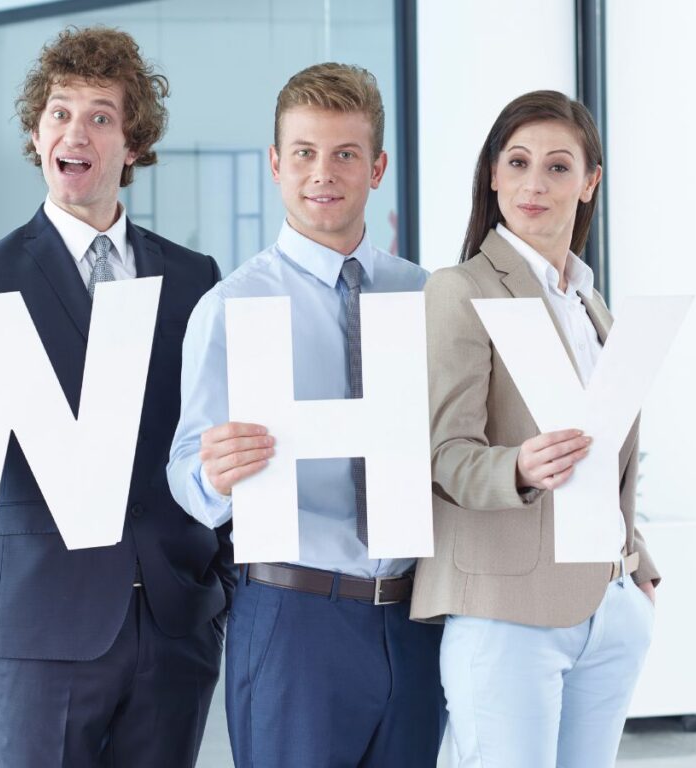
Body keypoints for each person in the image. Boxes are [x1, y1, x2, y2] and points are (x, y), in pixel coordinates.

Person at [0, 26, 234, 768]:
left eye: (101, 115)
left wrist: (217, 583)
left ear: (132, 146)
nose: (77, 130)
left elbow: (205, 430)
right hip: (42, 624)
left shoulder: (194, 277)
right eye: (60, 112)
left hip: (173, 618)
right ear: (37, 135)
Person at [166, 63, 446, 767]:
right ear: (276, 164)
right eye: (305, 153)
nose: (324, 173)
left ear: (377, 167)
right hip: (295, 616)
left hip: (416, 615)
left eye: (346, 154)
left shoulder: (426, 296)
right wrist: (215, 474)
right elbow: (185, 478)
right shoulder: (232, 307)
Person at [410, 90, 660, 768]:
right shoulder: (460, 290)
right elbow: (441, 453)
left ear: (589, 183)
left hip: (607, 607)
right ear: (492, 174)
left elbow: (603, 452)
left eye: (557, 167)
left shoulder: (590, 302)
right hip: (506, 610)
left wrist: (638, 564)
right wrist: (516, 467)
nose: (534, 183)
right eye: (517, 162)